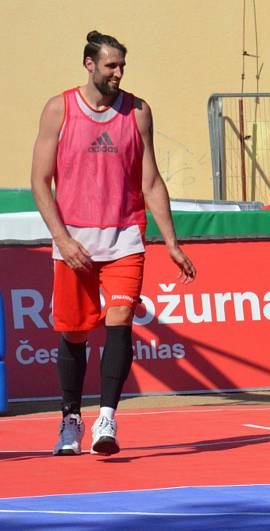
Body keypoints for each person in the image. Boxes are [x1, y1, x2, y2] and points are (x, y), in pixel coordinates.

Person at [30, 31, 196, 456]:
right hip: (75, 241)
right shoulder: (59, 109)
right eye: (110, 66)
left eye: (122, 66)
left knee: (120, 317)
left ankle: (107, 417)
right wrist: (62, 238)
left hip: (125, 236)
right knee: (75, 332)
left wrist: (171, 242)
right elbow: (39, 181)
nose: (118, 73)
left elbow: (152, 181)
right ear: (89, 65)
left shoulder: (138, 112)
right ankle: (71, 418)